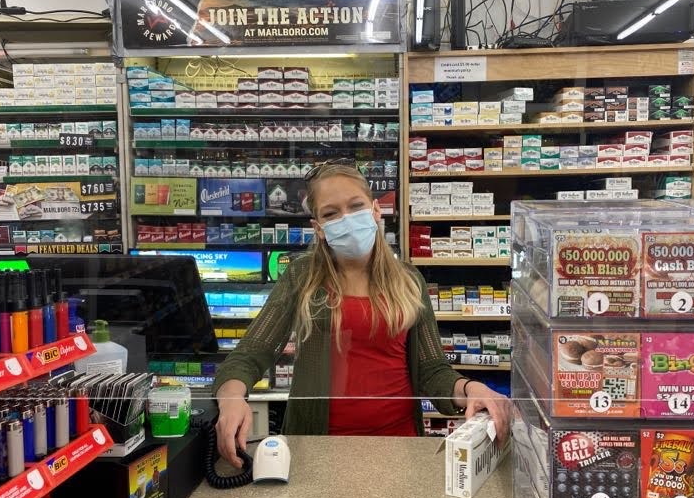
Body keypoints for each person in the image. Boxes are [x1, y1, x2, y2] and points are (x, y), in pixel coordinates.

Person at [214, 160, 512, 467]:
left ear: (375, 210)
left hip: (399, 446)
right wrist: (231, 398)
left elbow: (432, 370)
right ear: (319, 228)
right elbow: (250, 354)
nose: (346, 219)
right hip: (316, 449)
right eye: (331, 213)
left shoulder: (408, 280)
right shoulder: (302, 276)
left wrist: (470, 388)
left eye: (356, 206)